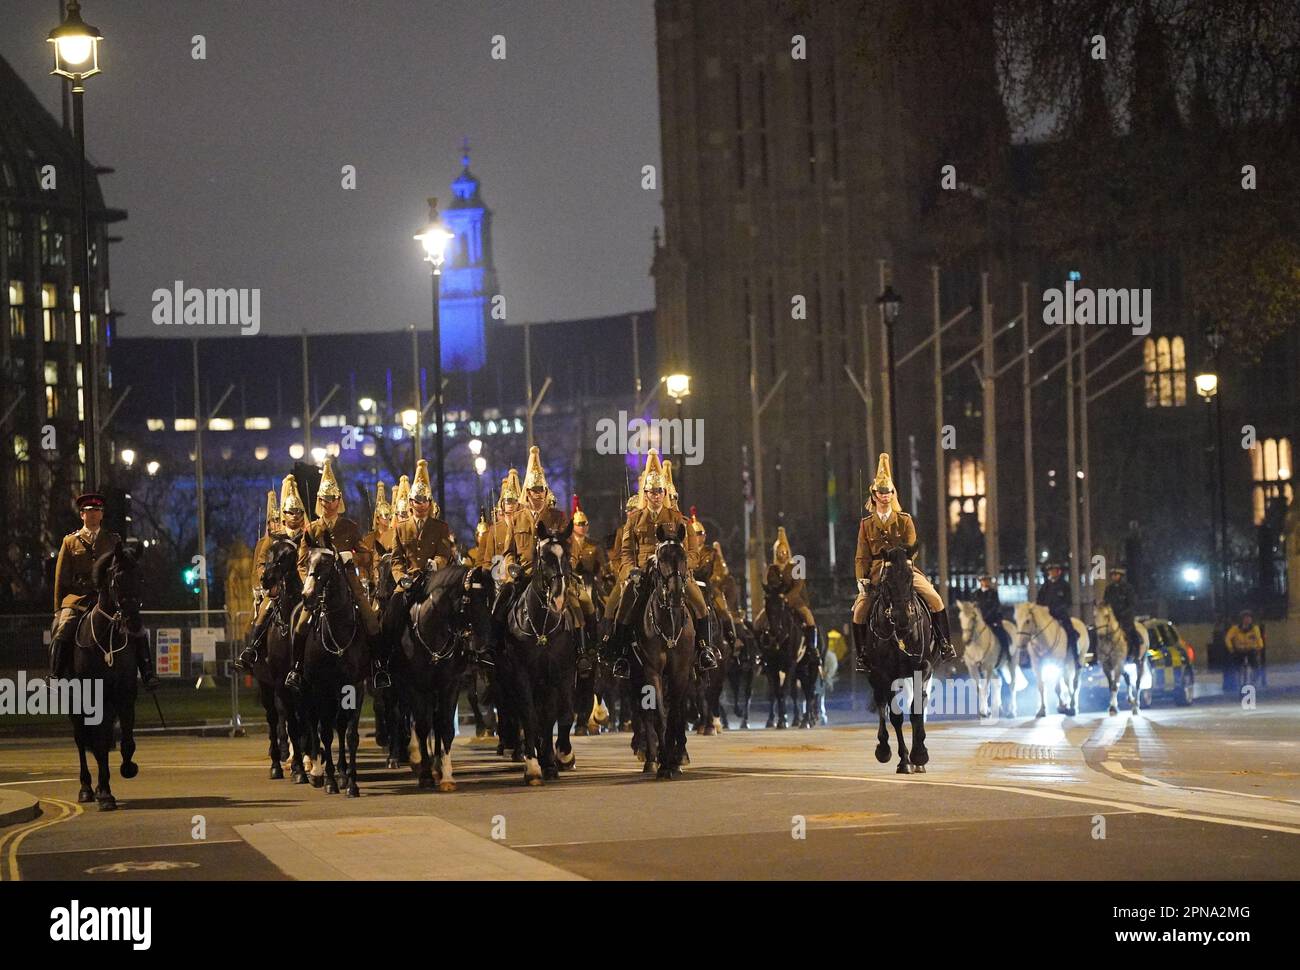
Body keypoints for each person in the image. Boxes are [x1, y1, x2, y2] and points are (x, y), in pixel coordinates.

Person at [602, 449, 713, 677]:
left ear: (665, 493)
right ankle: (621, 654)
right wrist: (631, 570)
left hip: (674, 574)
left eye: (660, 491)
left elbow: (693, 554)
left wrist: (681, 568)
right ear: (646, 493)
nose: (656, 496)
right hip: (642, 573)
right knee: (625, 606)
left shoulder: (677, 519)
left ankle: (704, 649)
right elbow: (625, 552)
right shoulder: (634, 520)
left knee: (701, 605)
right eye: (652, 492)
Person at [850, 454, 955, 670]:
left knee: (935, 599)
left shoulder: (904, 519)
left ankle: (944, 643)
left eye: (889, 492)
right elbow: (862, 554)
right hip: (878, 570)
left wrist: (902, 563)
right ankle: (862, 654)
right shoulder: (866, 524)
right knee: (860, 611)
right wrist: (862, 578)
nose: (886, 496)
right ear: (874, 494)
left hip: (904, 567)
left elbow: (911, 547)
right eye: (881, 492)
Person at [286, 459, 380, 691]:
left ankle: (378, 667)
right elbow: (301, 563)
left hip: (349, 583)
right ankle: (297, 668)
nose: (329, 504)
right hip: (319, 588)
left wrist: (352, 558)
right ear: (319, 502)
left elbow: (367, 557)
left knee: (370, 618)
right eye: (324, 500)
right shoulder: (312, 530)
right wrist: (309, 583)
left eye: (332, 499)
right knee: (300, 624)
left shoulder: (350, 527)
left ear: (339, 501)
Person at [49, 492, 160, 689]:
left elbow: (122, 568)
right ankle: (55, 675)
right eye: (89, 511)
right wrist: (59, 608)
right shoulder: (70, 542)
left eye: (97, 511)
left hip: (106, 597)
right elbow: (60, 579)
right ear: (82, 515)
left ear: (102, 515)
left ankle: (147, 673)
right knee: (64, 627)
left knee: (136, 626)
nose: (93, 515)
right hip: (78, 598)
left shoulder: (113, 540)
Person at [237, 478, 306, 670]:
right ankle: (252, 648)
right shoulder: (274, 540)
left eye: (298, 512)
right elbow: (262, 565)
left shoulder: (308, 536)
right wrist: (270, 583)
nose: (294, 516)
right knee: (265, 611)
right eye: (290, 512)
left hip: (304, 585)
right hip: (279, 587)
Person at [755, 526, 820, 664]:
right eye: (779, 552)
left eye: (784, 551)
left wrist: (787, 597)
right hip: (776, 603)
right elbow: (770, 585)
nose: (782, 554)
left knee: (808, 617)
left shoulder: (794, 567)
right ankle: (761, 652)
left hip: (794, 600)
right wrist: (775, 597)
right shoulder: (772, 569)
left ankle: (812, 649)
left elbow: (798, 586)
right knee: (758, 622)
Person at [1036, 561, 1080, 659]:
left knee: (1071, 632)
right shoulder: (1045, 586)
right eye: (1050, 571)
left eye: (1054, 571)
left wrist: (1058, 609)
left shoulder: (1064, 585)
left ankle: (1075, 656)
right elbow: (1039, 601)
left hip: (1060, 614)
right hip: (1046, 615)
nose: (1051, 573)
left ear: (1058, 572)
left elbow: (1068, 601)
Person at [1101, 565, 1141, 656]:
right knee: (1102, 632)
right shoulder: (1109, 589)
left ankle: (1135, 654)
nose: (1114, 577)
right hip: (1112, 617)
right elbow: (1106, 602)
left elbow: (1132, 604)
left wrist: (1124, 613)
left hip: (1125, 618)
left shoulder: (1128, 588)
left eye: (1116, 575)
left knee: (1132, 634)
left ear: (1120, 576)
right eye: (1112, 575)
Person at [974, 573, 1012, 657]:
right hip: (980, 619)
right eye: (984, 580)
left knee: (1001, 633)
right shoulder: (976, 593)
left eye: (987, 580)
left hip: (992, 619)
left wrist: (986, 616)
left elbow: (995, 606)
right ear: (981, 582)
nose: (986, 582)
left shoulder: (993, 593)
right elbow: (975, 606)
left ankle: (1006, 651)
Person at [1225, 609, 1264, 683]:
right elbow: (1227, 638)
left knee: (1256, 666)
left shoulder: (1255, 628)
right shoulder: (1235, 629)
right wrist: (1231, 648)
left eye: (1249, 618)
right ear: (1242, 619)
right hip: (1239, 650)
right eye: (1245, 618)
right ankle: (1237, 680)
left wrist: (1259, 648)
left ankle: (1254, 680)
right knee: (1236, 666)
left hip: (1251, 650)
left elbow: (1258, 638)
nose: (1247, 620)